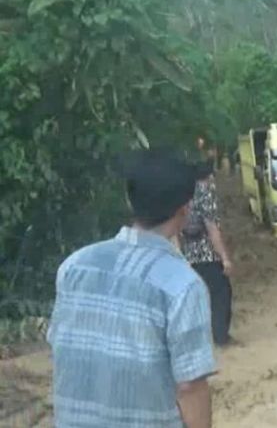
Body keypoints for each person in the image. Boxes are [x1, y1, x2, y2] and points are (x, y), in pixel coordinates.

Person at [47, 150, 215, 428]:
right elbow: (190, 386)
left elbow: (62, 349)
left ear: (129, 201)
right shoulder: (182, 285)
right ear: (185, 210)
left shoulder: (74, 267)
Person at [181, 162, 235, 346]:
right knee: (221, 294)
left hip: (188, 256)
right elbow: (212, 228)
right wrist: (225, 258)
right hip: (208, 255)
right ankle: (221, 337)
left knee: (197, 299)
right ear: (209, 176)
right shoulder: (206, 192)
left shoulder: (183, 194)